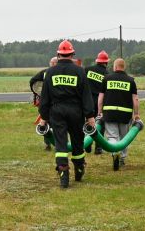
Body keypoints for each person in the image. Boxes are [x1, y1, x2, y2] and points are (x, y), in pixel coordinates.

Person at [39, 40, 95, 188]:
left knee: (60, 142)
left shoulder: (50, 72)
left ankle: (63, 173)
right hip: (76, 111)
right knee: (77, 141)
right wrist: (90, 117)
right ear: (72, 54)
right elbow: (86, 96)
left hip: (57, 111)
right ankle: (79, 168)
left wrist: (43, 118)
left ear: (58, 54)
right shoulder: (80, 71)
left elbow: (45, 98)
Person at [98, 58, 140, 170]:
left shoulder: (106, 79)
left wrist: (99, 112)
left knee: (112, 136)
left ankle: (114, 153)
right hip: (125, 114)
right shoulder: (131, 80)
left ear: (115, 67)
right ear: (124, 67)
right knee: (124, 137)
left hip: (109, 113)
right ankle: (122, 158)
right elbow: (135, 99)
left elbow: (101, 97)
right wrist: (136, 114)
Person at [29, 57, 58, 151]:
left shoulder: (44, 72)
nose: (52, 64)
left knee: (44, 121)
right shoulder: (61, 73)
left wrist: (37, 92)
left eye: (52, 62)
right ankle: (58, 143)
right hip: (57, 102)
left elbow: (32, 81)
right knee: (58, 123)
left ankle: (47, 144)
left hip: (45, 102)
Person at [85, 51, 109, 154]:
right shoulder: (107, 74)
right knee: (100, 124)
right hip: (100, 102)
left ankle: (87, 145)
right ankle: (98, 148)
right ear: (106, 62)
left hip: (87, 101)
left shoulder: (87, 70)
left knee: (88, 122)